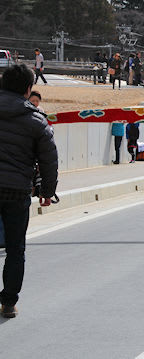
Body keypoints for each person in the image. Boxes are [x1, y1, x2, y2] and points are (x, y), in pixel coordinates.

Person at [0, 64, 58, 318]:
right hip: (15, 190)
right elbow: (49, 159)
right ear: (27, 89)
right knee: (15, 249)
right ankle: (9, 302)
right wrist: (47, 190)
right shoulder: (36, 120)